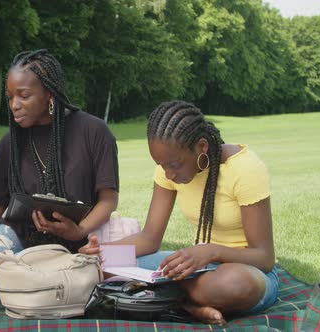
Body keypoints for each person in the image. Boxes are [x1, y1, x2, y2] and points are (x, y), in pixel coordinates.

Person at [0, 49, 120, 299]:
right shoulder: (9, 143)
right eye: (10, 96)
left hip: (78, 241)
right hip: (16, 236)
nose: (14, 105)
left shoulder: (94, 131)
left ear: (49, 93)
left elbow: (108, 199)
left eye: (23, 96)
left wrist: (79, 231)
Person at [79, 100, 278, 325]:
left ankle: (165, 298)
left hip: (246, 271)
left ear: (201, 147)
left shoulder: (244, 168)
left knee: (234, 285)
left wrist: (211, 252)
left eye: (175, 165)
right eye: (161, 165)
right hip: (195, 268)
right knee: (103, 267)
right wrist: (101, 253)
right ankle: (188, 306)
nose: (169, 174)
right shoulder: (168, 167)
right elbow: (149, 238)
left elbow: (264, 258)